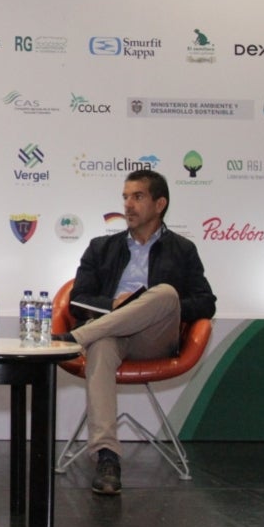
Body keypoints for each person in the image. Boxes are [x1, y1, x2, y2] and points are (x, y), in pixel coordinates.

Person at [56, 169, 215, 495]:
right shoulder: (101, 247)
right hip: (111, 336)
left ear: (160, 204)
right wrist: (117, 303)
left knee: (165, 293)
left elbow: (206, 303)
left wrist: (153, 305)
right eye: (125, 197)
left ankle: (77, 339)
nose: (128, 205)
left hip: (155, 338)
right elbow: (77, 300)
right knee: (101, 345)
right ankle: (107, 456)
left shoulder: (182, 250)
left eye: (137, 197)